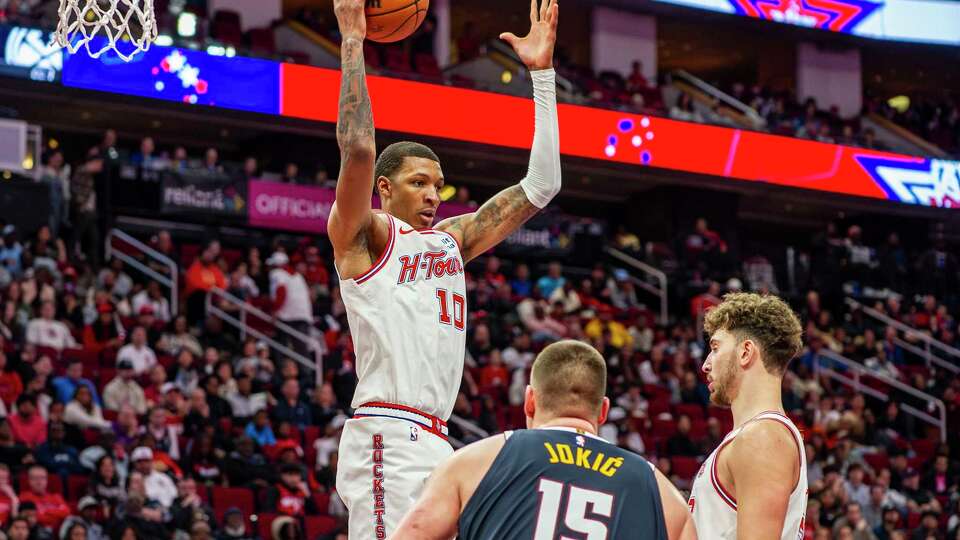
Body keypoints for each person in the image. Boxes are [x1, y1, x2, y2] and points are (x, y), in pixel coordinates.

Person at [329, 0, 562, 537]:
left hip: (437, 439)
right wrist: (353, 39)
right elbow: (360, 148)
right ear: (384, 190)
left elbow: (542, 187)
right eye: (419, 183)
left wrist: (542, 76)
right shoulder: (365, 236)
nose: (434, 195)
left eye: (439, 184)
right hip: (387, 430)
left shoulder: (451, 242)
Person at [393, 340, 695, 539]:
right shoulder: (662, 493)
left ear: (529, 401)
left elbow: (415, 532)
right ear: (603, 411)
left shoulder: (475, 461)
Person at [689, 292, 807, 539]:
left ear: (745, 352)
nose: (706, 365)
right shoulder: (759, 435)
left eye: (715, 348)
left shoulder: (763, 438)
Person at [19, 465, 70, 531]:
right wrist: (56, 515)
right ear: (29, 480)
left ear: (47, 480)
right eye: (35, 478)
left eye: (42, 478)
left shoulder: (56, 497)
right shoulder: (24, 497)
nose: (39, 482)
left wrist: (46, 512)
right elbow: (31, 518)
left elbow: (66, 512)